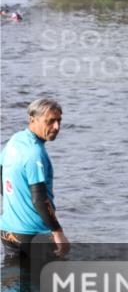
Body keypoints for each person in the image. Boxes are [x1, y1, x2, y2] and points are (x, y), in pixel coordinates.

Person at [0, 98, 69, 256]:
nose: (57, 127)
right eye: (50, 121)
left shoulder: (15, 140)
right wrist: (57, 232)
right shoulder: (35, 153)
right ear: (32, 119)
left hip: (7, 231)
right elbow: (40, 199)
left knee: (13, 278)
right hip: (34, 234)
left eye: (59, 121)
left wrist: (17, 200)